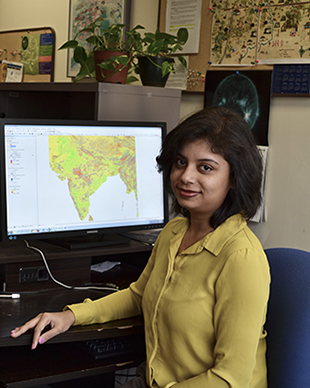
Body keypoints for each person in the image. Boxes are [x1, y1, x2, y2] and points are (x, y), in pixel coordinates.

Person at [11, 106, 270, 388]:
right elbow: (139, 295)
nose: (185, 176)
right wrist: (72, 315)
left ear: (235, 178)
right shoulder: (174, 232)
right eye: (181, 162)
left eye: (205, 167)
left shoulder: (241, 257)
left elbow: (230, 378)